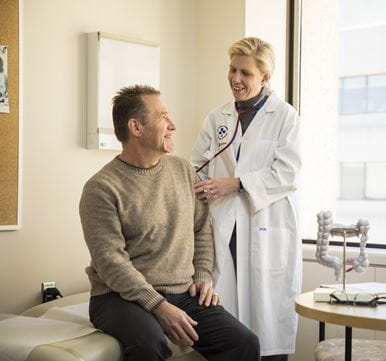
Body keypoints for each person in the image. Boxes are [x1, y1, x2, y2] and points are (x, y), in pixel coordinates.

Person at [79, 84, 260, 361]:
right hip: (118, 298)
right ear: (136, 127)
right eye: (163, 117)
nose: (173, 125)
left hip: (182, 291)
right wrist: (159, 306)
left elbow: (201, 229)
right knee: (150, 342)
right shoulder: (101, 188)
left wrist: (202, 277)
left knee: (244, 343)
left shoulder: (183, 171)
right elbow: (110, 262)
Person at [191, 37, 302, 360]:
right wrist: (200, 186)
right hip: (224, 225)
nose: (236, 79)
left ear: (265, 78)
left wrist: (235, 184)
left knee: (267, 326)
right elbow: (196, 165)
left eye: (246, 73)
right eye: (232, 69)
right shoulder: (217, 117)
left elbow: (288, 173)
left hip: (265, 224)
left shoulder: (285, 117)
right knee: (229, 324)